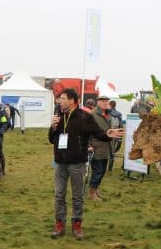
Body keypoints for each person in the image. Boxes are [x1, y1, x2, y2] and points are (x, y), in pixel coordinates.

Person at [49, 88, 124, 239]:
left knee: (77, 196)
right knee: (59, 195)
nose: (60, 101)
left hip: (77, 163)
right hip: (60, 162)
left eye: (63, 98)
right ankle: (59, 225)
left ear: (72, 100)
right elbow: (51, 139)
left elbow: (98, 133)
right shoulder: (58, 116)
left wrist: (107, 134)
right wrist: (53, 127)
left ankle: (77, 225)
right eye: (60, 99)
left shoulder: (84, 116)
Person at [88, 96, 113, 200]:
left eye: (106, 101)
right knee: (97, 171)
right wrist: (88, 145)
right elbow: (87, 132)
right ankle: (92, 193)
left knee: (102, 171)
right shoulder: (92, 115)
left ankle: (96, 190)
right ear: (97, 102)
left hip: (106, 148)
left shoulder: (108, 114)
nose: (105, 103)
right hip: (96, 148)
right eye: (102, 101)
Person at [107, 100, 123, 171]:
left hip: (107, 132)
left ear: (110, 105)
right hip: (115, 133)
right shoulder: (119, 114)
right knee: (112, 150)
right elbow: (121, 125)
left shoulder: (106, 112)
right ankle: (110, 167)